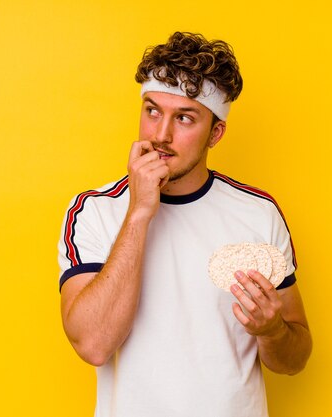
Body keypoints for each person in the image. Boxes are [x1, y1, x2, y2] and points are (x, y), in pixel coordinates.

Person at [57, 31, 312, 417]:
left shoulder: (258, 213)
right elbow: (93, 345)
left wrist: (272, 330)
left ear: (216, 133)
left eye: (185, 118)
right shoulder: (94, 211)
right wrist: (140, 212)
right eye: (152, 111)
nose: (161, 135)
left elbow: (294, 359)